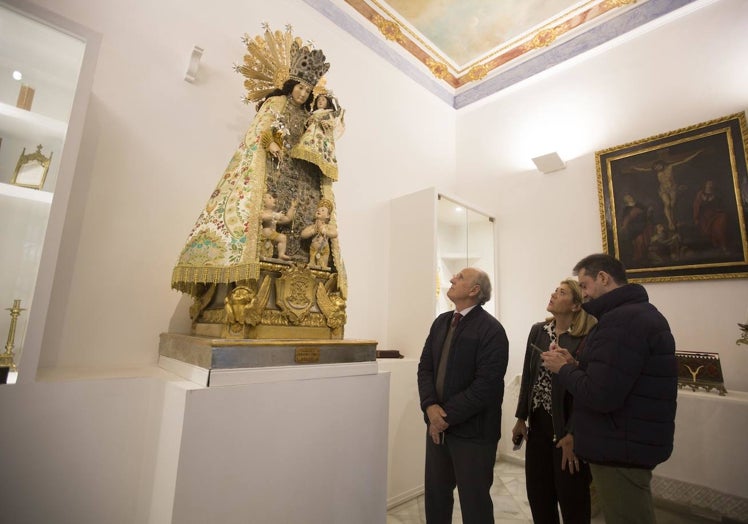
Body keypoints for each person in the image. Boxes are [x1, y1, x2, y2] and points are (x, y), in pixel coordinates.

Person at [172, 26, 347, 311]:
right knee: (270, 214)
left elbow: (320, 141)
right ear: (291, 85)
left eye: (307, 89)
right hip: (274, 170)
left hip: (301, 176)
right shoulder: (276, 103)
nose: (303, 94)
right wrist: (272, 143)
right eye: (299, 87)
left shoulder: (309, 116)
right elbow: (261, 131)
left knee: (302, 214)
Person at [541, 254, 677, 524]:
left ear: (603, 278)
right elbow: (612, 377)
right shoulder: (633, 315)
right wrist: (576, 364)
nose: (584, 293)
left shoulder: (621, 322)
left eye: (584, 285)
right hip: (624, 440)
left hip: (620, 446)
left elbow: (601, 395)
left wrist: (564, 369)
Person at [417, 267, 509, 524]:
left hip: (474, 434)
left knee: (475, 503)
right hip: (438, 428)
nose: (451, 279)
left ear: (474, 290)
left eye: (459, 277)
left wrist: (444, 416)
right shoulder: (441, 323)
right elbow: (425, 368)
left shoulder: (491, 330)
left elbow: (486, 385)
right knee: (436, 498)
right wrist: (430, 407)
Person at [512, 279, 597, 524]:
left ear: (575, 306)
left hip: (567, 430)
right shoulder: (538, 331)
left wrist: (573, 433)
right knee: (539, 496)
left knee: (572, 501)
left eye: (561, 293)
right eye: (555, 291)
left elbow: (587, 389)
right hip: (538, 426)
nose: (553, 294)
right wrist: (521, 418)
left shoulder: (586, 337)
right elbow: (528, 376)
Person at [291, 90, 345, 182]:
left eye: (323, 100)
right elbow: (306, 122)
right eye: (318, 100)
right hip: (310, 134)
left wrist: (327, 123)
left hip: (321, 136)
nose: (320, 101)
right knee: (305, 146)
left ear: (327, 102)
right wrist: (308, 122)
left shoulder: (329, 113)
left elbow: (334, 123)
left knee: (320, 148)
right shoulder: (313, 114)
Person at [693, 179, 729, 254]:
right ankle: (716, 245)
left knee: (719, 227)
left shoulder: (716, 194)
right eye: (708, 183)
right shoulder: (700, 194)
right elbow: (696, 205)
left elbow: (721, 205)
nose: (710, 185)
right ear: (705, 184)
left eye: (711, 183)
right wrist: (696, 217)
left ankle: (723, 246)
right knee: (708, 229)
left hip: (716, 214)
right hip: (704, 216)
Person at [300, 199, 337, 268]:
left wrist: (325, 231)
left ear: (328, 216)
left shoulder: (327, 226)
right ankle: (312, 263)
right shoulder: (313, 227)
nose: (319, 211)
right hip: (313, 248)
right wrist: (312, 232)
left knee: (323, 265)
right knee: (312, 263)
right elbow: (303, 234)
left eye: (323, 210)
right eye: (318, 210)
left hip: (324, 248)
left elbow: (335, 234)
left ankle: (324, 266)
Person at [260, 193, 297, 260]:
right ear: (263, 203)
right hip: (265, 232)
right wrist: (274, 216)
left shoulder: (275, 214)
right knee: (281, 237)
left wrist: (292, 207)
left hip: (272, 234)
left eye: (273, 198)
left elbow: (287, 219)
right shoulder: (263, 212)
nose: (273, 199)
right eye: (270, 198)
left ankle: (281, 255)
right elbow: (262, 217)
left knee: (283, 238)